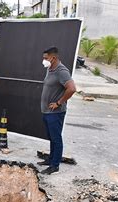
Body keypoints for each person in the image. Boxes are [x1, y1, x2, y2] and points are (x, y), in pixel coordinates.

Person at [38, 46, 76, 175]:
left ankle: (55, 166)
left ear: (53, 58)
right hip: (47, 111)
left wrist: (59, 102)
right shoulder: (50, 69)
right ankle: (51, 159)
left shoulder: (62, 71)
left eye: (45, 58)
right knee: (51, 137)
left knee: (56, 138)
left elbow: (71, 89)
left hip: (55, 113)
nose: (43, 60)